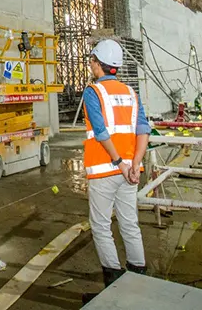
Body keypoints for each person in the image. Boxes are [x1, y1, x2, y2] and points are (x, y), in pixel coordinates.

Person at [82, 38, 151, 287]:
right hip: (130, 172)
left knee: (101, 226)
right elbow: (143, 130)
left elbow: (100, 132)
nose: (90, 65)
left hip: (105, 170)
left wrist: (120, 162)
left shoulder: (93, 91)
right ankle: (138, 276)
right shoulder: (131, 93)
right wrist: (134, 164)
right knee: (129, 223)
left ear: (98, 64)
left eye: (92, 61)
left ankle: (114, 284)